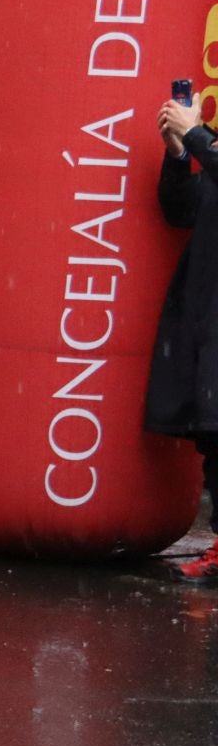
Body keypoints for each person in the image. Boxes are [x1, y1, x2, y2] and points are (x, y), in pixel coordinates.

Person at [150, 99, 218, 581]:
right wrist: (177, 152)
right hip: (206, 317)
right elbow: (180, 208)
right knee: (214, 434)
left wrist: (196, 136)